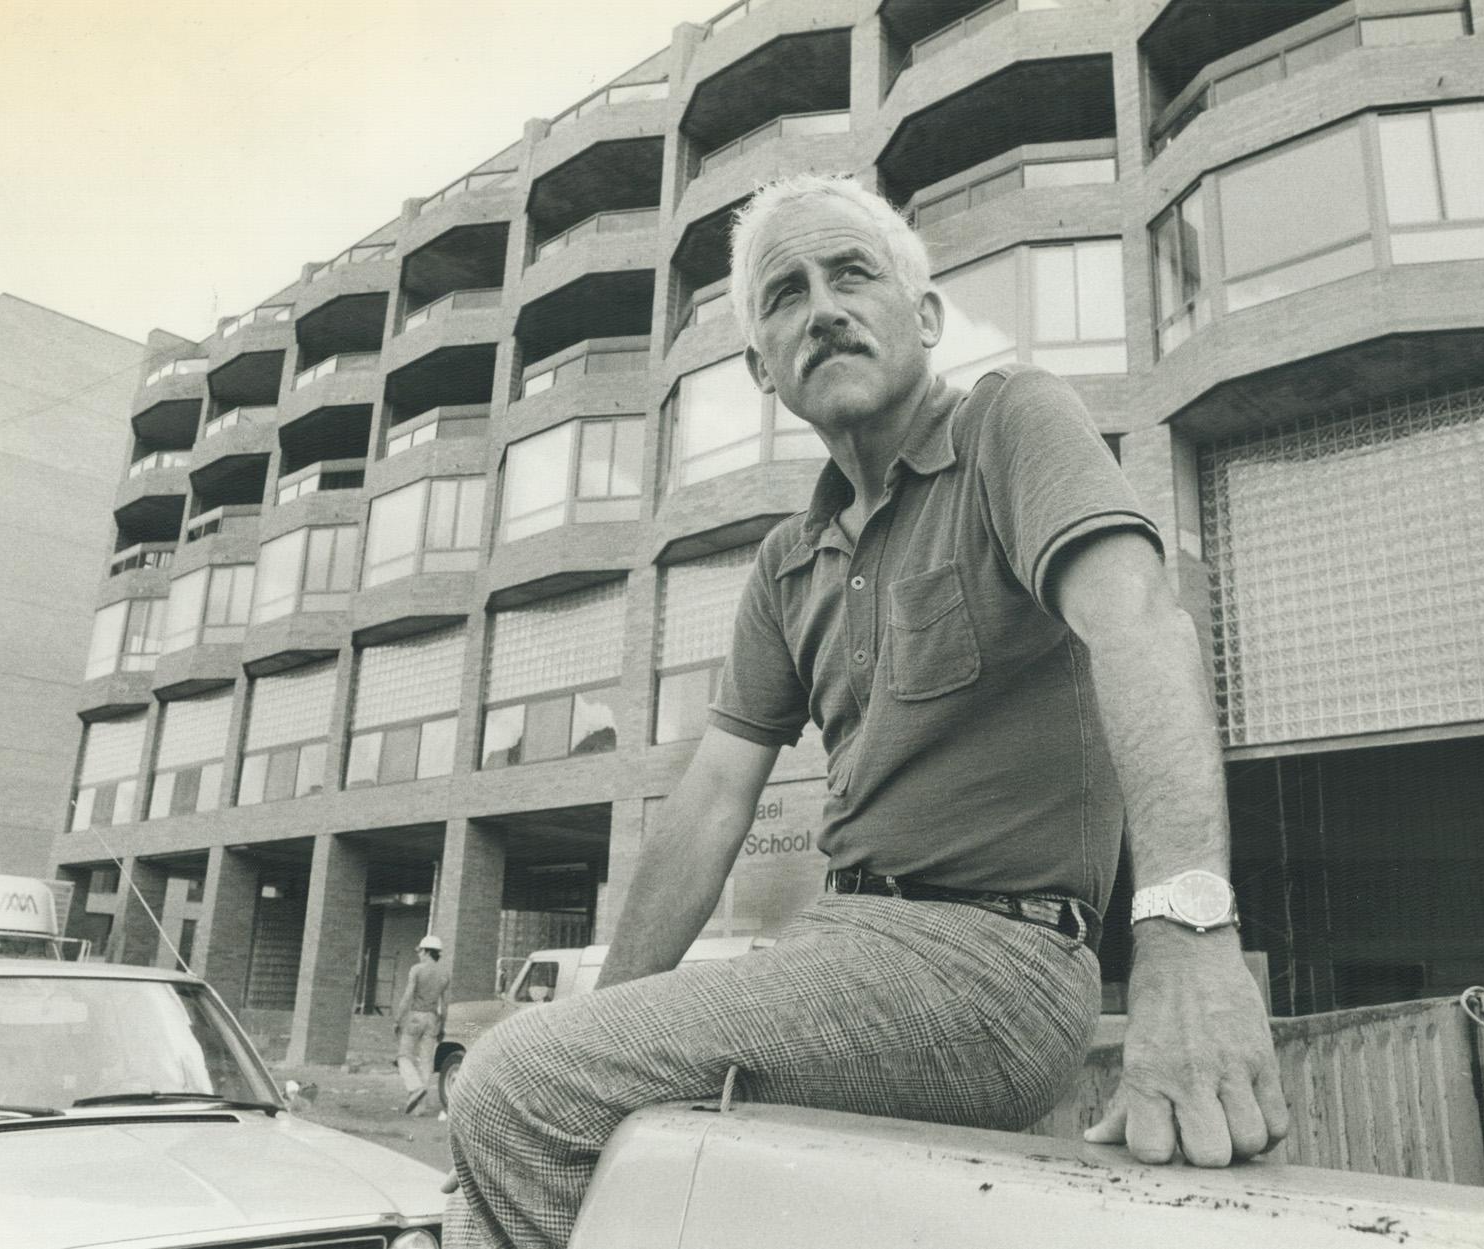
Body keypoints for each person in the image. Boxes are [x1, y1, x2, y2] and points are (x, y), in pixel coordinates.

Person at [444, 174, 1289, 1248]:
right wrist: (602, 1021)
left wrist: (1190, 940)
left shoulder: (1011, 427)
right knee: (521, 1132)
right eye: (786, 295)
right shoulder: (787, 562)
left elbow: (1140, 625)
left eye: (852, 275)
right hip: (841, 943)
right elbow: (711, 800)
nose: (823, 307)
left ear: (925, 315)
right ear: (762, 366)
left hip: (995, 960)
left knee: (510, 1085)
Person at [394, 934, 450, 1115]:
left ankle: (414, 1087)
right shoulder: (444, 973)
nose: (419, 954)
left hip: (416, 1016)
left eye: (420, 951)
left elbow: (408, 995)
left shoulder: (416, 970)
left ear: (427, 952)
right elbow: (445, 1003)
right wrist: (442, 1025)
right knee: (426, 1062)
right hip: (433, 1018)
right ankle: (420, 1107)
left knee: (404, 1056)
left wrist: (398, 1018)